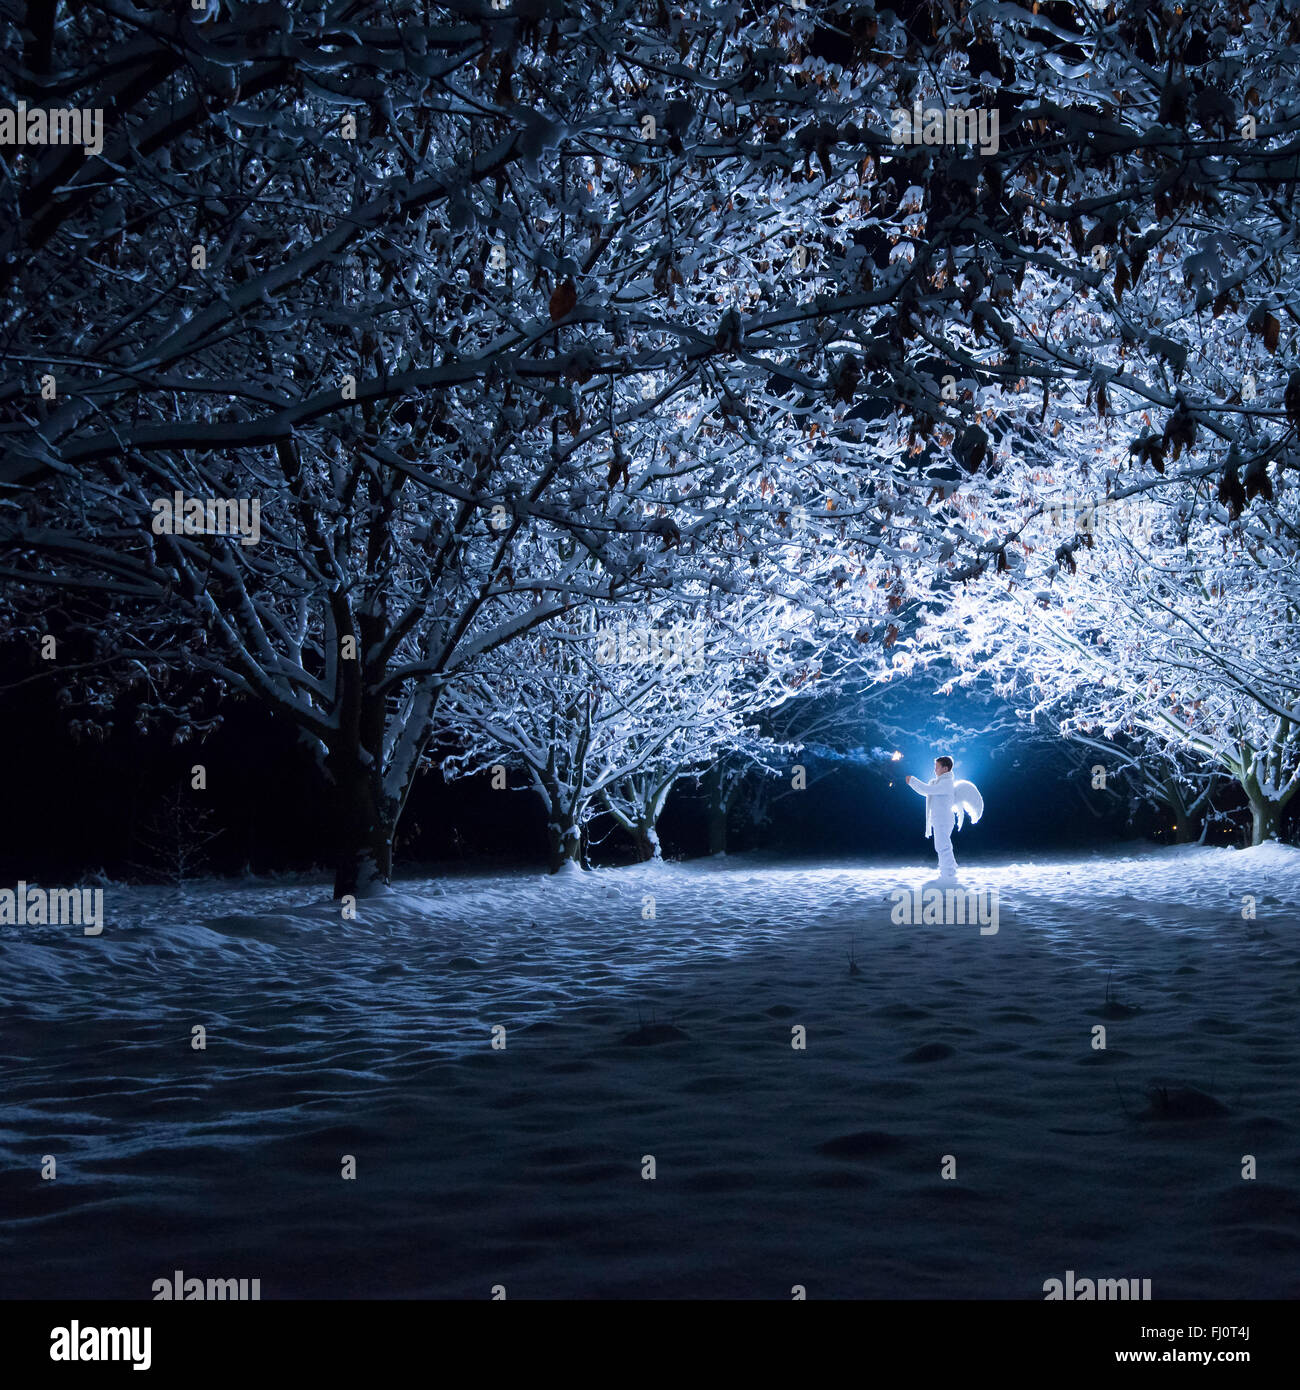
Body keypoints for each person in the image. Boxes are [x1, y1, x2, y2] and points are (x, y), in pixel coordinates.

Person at [905, 756, 961, 882]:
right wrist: (912, 783)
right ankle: (945, 873)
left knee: (943, 846)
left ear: (945, 768)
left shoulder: (946, 783)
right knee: (940, 846)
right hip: (939, 819)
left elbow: (927, 790)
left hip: (943, 820)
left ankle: (949, 874)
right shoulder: (940, 782)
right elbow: (928, 791)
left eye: (937, 767)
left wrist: (913, 781)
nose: (934, 770)